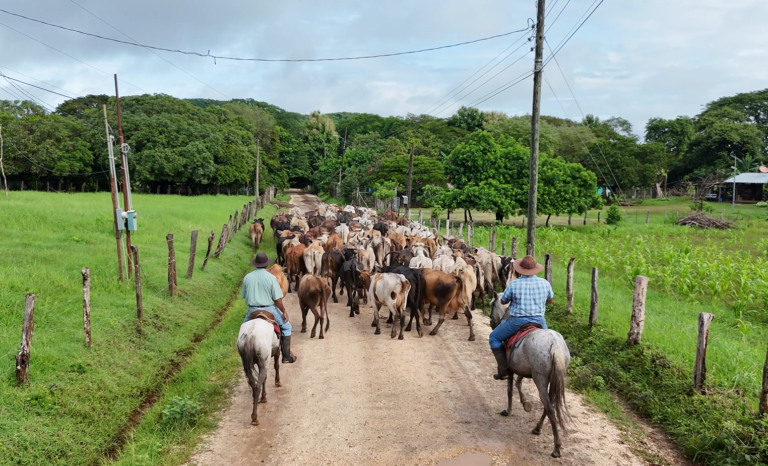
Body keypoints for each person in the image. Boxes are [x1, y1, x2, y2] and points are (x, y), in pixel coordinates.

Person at [489, 255, 553, 380]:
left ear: (521, 269)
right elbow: (550, 300)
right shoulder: (545, 283)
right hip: (539, 321)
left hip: (517, 321)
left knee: (494, 338)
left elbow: (503, 302)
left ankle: (504, 370)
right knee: (550, 343)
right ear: (535, 268)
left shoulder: (514, 284)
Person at [241, 252, 297, 363]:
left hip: (252, 310)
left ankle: (243, 354)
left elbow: (244, 296)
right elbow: (277, 299)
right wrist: (284, 311)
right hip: (269, 309)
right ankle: (286, 356)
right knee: (286, 327)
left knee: (243, 330)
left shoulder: (247, 277)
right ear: (266, 265)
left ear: (255, 264)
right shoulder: (271, 278)